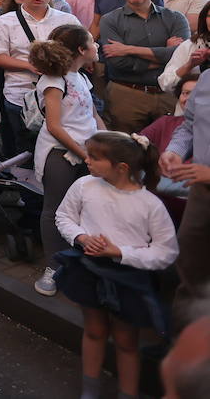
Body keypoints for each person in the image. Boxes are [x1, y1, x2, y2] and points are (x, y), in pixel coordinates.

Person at [55, 132, 178, 399]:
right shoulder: (84, 185)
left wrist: (119, 252)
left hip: (128, 279)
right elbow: (64, 216)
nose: (86, 160)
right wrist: (81, 237)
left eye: (94, 157)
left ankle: (128, 393)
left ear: (121, 167)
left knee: (126, 341)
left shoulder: (150, 205)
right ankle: (90, 390)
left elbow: (166, 252)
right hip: (89, 269)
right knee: (94, 330)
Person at [29, 27, 104, 298]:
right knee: (55, 209)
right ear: (82, 50)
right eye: (92, 42)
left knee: (87, 209)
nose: (97, 45)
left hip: (88, 152)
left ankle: (82, 262)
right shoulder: (54, 79)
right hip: (59, 154)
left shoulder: (81, 76)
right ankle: (53, 266)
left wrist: (106, 145)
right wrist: (85, 155)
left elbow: (93, 115)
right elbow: (54, 127)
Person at [0, 0, 83, 159]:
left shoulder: (67, 20)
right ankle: (27, 187)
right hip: (21, 96)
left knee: (58, 150)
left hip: (63, 97)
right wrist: (30, 66)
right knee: (24, 151)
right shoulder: (5, 21)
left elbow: (83, 52)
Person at [101, 0, 190, 132]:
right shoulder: (110, 20)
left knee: (168, 148)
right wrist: (166, 55)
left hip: (168, 95)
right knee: (126, 150)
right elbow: (118, 62)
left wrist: (129, 49)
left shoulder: (176, 18)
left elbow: (182, 56)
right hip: (126, 95)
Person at [162, 71, 210, 330]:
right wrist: (174, 151)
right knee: (190, 270)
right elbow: (189, 126)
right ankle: (181, 345)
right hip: (201, 194)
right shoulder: (206, 79)